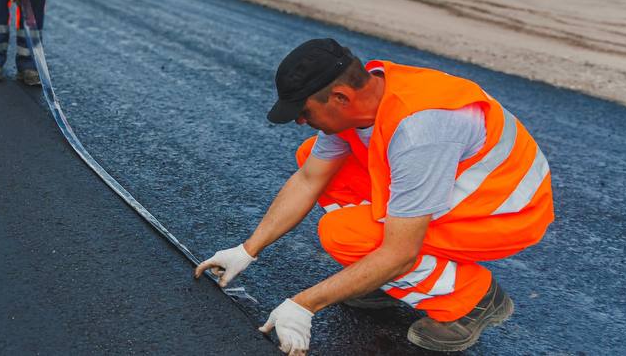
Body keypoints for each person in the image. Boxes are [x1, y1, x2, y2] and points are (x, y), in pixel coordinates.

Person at [195, 38, 553, 354]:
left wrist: (304, 305)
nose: (300, 122)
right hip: (458, 188)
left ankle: (473, 299)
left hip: (502, 211)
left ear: (340, 97)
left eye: (304, 112)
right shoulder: (363, 102)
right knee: (314, 159)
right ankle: (386, 277)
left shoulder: (420, 129)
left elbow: (399, 252)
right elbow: (309, 179)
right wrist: (247, 249)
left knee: (346, 235)